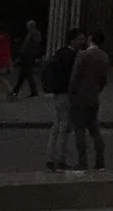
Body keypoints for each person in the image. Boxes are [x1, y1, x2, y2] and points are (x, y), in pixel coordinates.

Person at [68, 28, 109, 171]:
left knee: (79, 129)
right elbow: (104, 79)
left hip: (80, 95)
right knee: (95, 130)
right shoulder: (104, 56)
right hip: (93, 96)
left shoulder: (83, 55)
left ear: (91, 38)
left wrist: (71, 92)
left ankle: (82, 162)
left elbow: (75, 77)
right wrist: (97, 89)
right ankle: (100, 161)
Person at [41, 29, 82, 171]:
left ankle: (50, 158)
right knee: (65, 127)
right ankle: (61, 160)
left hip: (57, 92)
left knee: (56, 125)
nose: (82, 42)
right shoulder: (73, 56)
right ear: (72, 40)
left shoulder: (59, 53)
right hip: (67, 93)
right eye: (79, 39)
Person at [11, 20, 43, 98]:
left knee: (26, 74)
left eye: (28, 26)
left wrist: (20, 55)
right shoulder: (38, 34)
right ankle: (16, 91)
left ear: (31, 26)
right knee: (24, 74)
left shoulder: (31, 34)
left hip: (27, 56)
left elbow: (25, 45)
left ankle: (32, 91)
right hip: (31, 55)